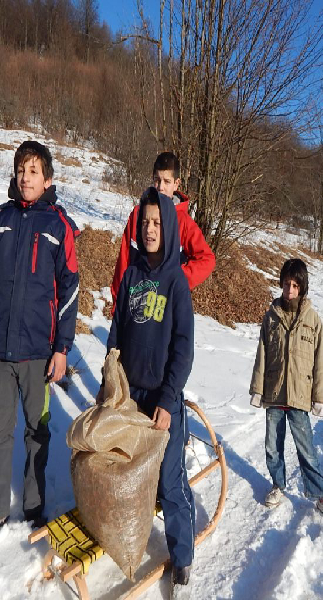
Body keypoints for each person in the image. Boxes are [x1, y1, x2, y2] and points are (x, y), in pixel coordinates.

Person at [0, 140, 79, 555]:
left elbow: (69, 291)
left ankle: (34, 509)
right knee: (0, 432)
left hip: (37, 352)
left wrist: (62, 348)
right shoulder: (0, 221)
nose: (26, 177)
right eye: (21, 170)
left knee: (39, 431)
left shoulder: (58, 226)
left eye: (33, 171)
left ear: (47, 179)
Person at [107, 186, 195, 588]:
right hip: (132, 398)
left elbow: (183, 347)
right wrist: (111, 374)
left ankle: (182, 556)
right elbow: (117, 331)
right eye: (145, 223)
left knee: (170, 481)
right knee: (132, 475)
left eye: (157, 222)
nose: (149, 229)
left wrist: (169, 398)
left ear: (170, 227)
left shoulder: (176, 281)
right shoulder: (131, 276)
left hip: (162, 401)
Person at [249, 258, 323, 531]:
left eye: (295, 285)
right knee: (272, 446)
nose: (289, 290)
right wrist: (257, 389)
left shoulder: (313, 321)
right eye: (286, 284)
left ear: (302, 287)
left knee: (307, 450)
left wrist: (319, 396)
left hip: (300, 396)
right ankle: (278, 484)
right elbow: (262, 355)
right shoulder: (271, 316)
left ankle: (321, 498)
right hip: (275, 393)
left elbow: (319, 362)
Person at [110, 151, 215, 312]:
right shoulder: (138, 214)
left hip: (166, 309)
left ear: (176, 183)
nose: (161, 187)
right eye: (157, 180)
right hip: (135, 305)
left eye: (167, 181)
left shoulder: (184, 222)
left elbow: (207, 260)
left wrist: (177, 279)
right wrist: (117, 305)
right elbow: (123, 261)